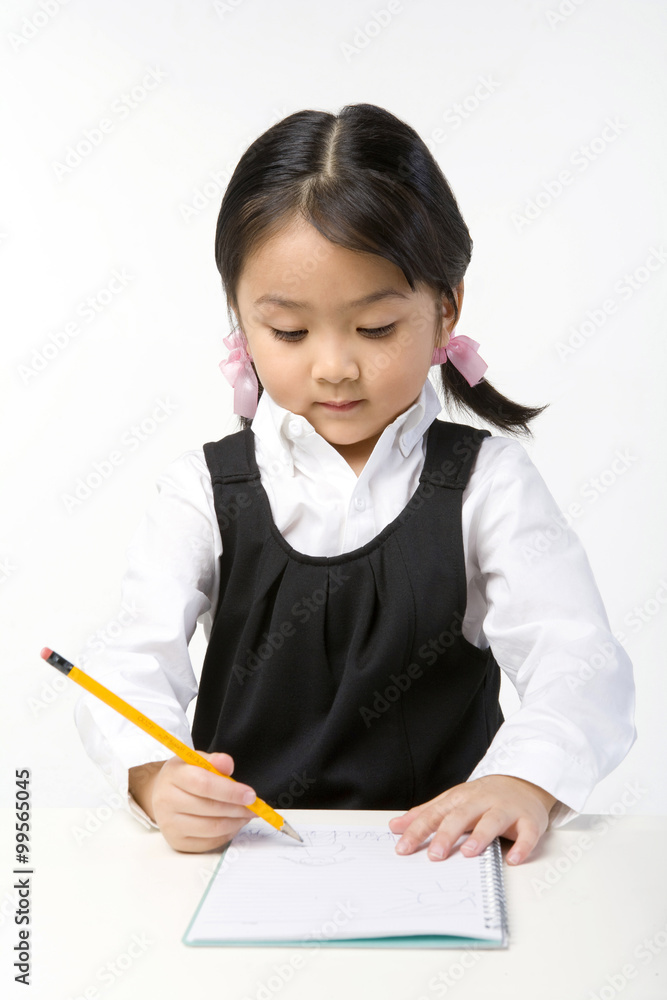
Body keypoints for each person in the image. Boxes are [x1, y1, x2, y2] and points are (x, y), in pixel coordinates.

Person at [74, 103, 636, 865]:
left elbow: (578, 661)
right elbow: (128, 659)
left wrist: (521, 781)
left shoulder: (485, 484)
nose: (334, 366)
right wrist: (156, 777)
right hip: (244, 863)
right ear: (238, 320)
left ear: (445, 309)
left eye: (374, 329)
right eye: (290, 333)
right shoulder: (202, 491)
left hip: (442, 860)